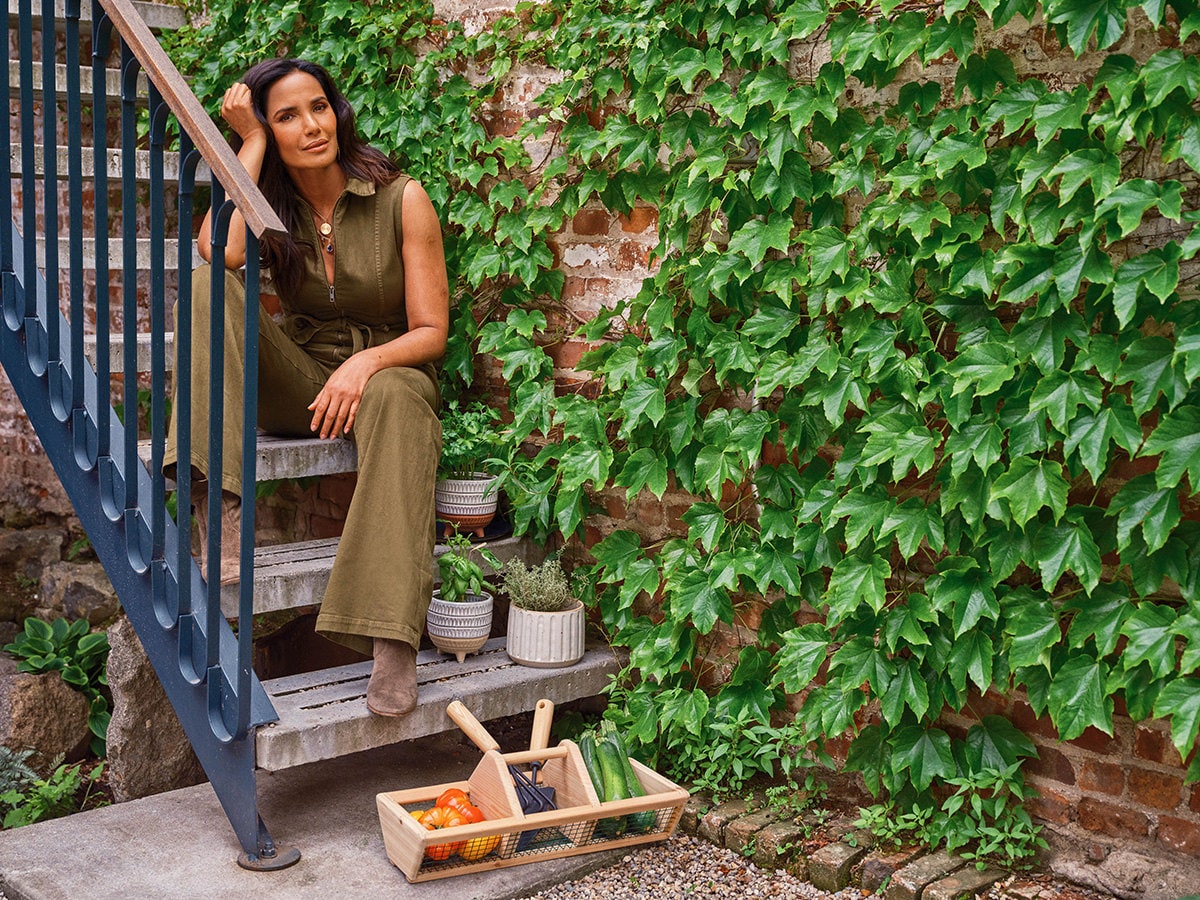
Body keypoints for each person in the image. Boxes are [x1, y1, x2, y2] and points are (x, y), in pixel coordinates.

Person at [163, 58, 450, 718]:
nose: (310, 125)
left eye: (318, 107)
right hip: (300, 380)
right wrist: (250, 146)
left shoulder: (401, 199)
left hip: (385, 373)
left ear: (338, 112)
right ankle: (221, 518)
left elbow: (432, 331)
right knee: (209, 286)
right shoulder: (273, 206)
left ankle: (390, 640)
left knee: (405, 399)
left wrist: (364, 364)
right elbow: (219, 252)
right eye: (286, 116)